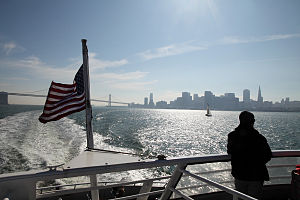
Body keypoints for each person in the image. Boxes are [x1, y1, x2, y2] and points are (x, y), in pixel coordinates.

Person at [227, 111, 272, 200]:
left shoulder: (232, 136)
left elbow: (230, 151)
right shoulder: (259, 138)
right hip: (256, 175)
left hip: (239, 174)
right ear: (252, 122)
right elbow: (268, 155)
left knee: (240, 197)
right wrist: (257, 163)